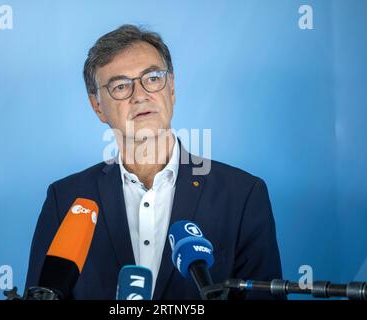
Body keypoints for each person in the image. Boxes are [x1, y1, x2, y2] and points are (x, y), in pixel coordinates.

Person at [25, 24, 283, 299]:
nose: (140, 95)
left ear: (171, 88)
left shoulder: (242, 195)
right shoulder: (65, 200)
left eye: (152, 78)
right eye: (121, 86)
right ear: (97, 106)